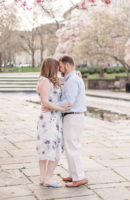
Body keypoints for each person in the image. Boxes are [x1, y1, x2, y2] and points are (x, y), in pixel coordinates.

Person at [42, 55, 88, 187]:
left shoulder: (72, 80)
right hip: (73, 117)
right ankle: (74, 175)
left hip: (73, 116)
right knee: (70, 147)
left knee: (72, 147)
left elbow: (69, 101)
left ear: (67, 66)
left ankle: (79, 178)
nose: (59, 69)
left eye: (60, 66)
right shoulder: (73, 78)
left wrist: (51, 106)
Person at [36, 57, 73, 188]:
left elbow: (68, 77)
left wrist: (75, 73)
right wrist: (61, 108)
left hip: (54, 117)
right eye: (57, 66)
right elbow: (45, 102)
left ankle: (44, 177)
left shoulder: (52, 80)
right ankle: (48, 177)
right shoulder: (44, 81)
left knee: (49, 145)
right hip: (49, 119)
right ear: (51, 67)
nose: (59, 68)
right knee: (53, 146)